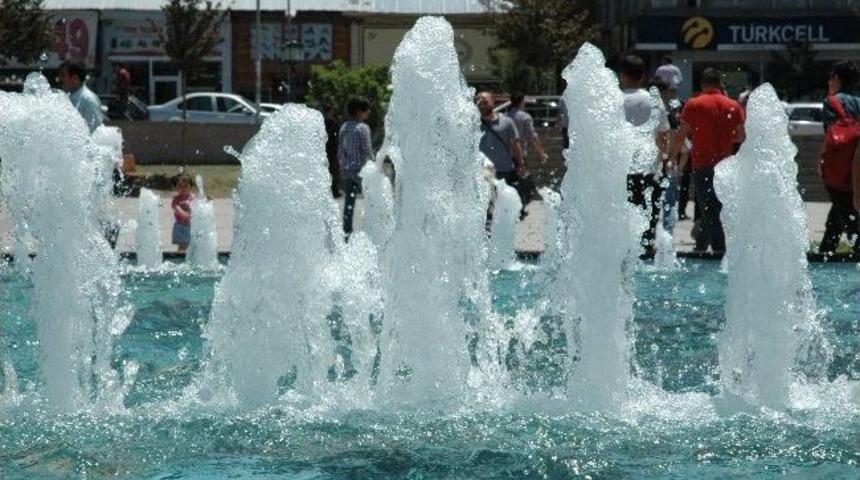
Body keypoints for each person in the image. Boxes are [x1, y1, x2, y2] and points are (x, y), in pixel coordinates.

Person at [670, 67, 746, 254]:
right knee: (711, 209)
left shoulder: (694, 104)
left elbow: (682, 133)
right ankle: (700, 249)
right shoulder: (733, 105)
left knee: (710, 213)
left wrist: (671, 155)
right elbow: (741, 137)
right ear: (719, 84)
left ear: (702, 84)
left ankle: (720, 254)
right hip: (725, 167)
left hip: (702, 165)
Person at [620, 55, 671, 256]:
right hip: (649, 166)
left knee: (624, 210)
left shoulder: (613, 99)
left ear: (621, 75)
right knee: (649, 211)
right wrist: (663, 160)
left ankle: (625, 249)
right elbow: (663, 134)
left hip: (622, 167)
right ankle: (646, 249)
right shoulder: (654, 101)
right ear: (642, 76)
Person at [819, 61, 860, 255]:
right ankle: (824, 254)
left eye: (830, 78)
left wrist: (821, 161)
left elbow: (832, 136)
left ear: (836, 78)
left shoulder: (832, 102)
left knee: (851, 222)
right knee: (837, 218)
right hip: (856, 168)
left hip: (840, 172)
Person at [338, 96, 373, 237]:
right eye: (366, 110)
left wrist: (342, 167)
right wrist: (374, 167)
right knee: (371, 200)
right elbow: (367, 151)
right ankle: (371, 229)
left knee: (349, 202)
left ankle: (347, 230)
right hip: (361, 172)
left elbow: (340, 150)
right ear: (359, 111)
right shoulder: (362, 128)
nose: (368, 113)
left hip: (347, 171)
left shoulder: (344, 127)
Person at [476, 92, 525, 186]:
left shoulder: (507, 122)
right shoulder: (473, 125)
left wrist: (520, 163)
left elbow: (515, 145)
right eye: (479, 103)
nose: (482, 106)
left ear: (493, 101)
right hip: (483, 172)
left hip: (505, 170)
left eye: (485, 102)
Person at [58, 60, 103, 133]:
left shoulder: (88, 100)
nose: (59, 79)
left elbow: (96, 131)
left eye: (63, 76)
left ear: (75, 78)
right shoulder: (69, 96)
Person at [507, 92, 549, 164]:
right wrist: (541, 152)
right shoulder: (525, 117)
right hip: (520, 154)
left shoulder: (504, 117)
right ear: (522, 102)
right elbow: (532, 137)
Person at [172, 174, 195, 252]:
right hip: (180, 227)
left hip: (190, 226)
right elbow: (176, 207)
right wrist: (183, 213)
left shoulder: (193, 197)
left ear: (191, 187)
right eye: (180, 186)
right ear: (177, 187)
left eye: (185, 186)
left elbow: (200, 205)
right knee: (182, 246)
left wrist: (208, 201)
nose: (183, 188)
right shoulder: (176, 198)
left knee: (189, 246)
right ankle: (181, 259)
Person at [323, 104, 341, 198]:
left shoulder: (321, 121)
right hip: (332, 149)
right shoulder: (332, 121)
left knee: (325, 169)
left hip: (324, 148)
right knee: (334, 170)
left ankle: (327, 191)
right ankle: (334, 191)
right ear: (330, 111)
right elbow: (337, 135)